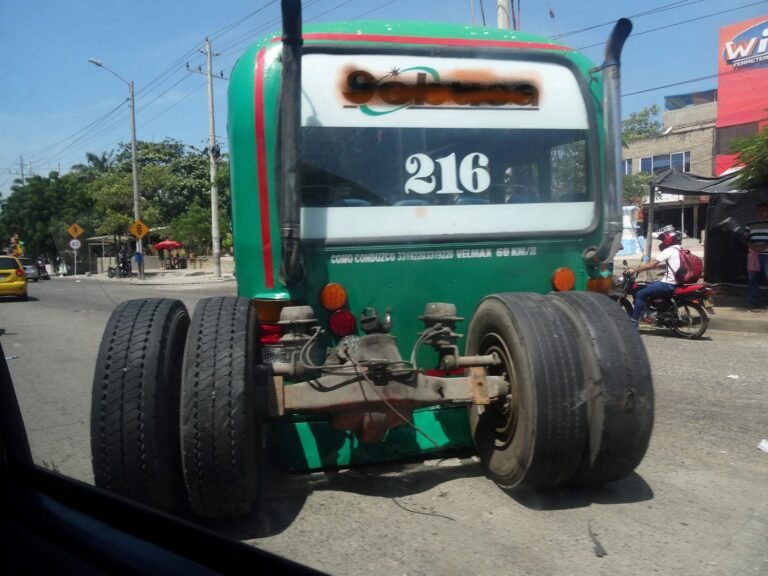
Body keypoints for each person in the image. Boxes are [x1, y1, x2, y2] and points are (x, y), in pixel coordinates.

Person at [627, 225, 683, 327]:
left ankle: (633, 322)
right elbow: (671, 265)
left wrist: (635, 270)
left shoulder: (669, 250)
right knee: (651, 285)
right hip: (678, 282)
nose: (662, 241)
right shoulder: (680, 250)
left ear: (667, 238)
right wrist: (658, 268)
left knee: (640, 294)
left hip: (668, 284)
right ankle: (655, 312)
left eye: (662, 238)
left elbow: (652, 264)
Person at [745, 202, 768, 310]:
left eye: (763, 210)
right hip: (754, 255)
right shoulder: (750, 224)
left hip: (767, 255)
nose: (760, 213)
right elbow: (744, 237)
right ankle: (753, 302)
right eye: (759, 210)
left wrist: (764, 246)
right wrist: (751, 245)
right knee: (753, 280)